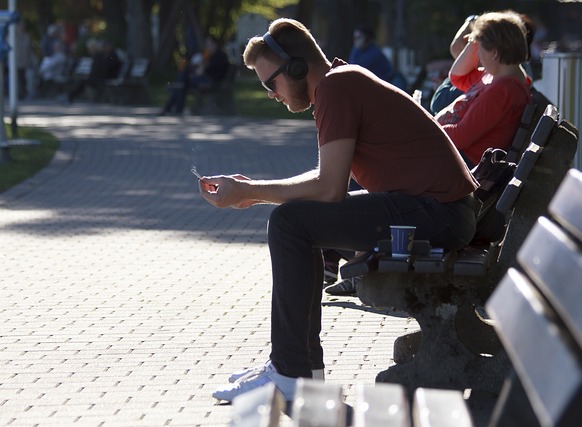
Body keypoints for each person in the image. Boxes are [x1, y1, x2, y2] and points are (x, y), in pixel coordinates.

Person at [197, 18, 480, 402]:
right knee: (297, 221)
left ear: (297, 67)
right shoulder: (340, 81)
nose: (271, 95)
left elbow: (329, 189)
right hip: (440, 210)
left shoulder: (335, 87)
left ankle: (290, 372)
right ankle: (300, 370)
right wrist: (252, 192)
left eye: (271, 83)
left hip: (437, 213)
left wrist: (252, 191)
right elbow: (327, 177)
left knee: (288, 223)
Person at [434, 11, 531, 168]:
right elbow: (458, 77)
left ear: (494, 53)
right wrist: (477, 37)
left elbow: (461, 137)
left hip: (457, 163)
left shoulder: (504, 91)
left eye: (479, 49)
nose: (477, 54)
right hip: (447, 152)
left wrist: (423, 128)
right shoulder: (493, 76)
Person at [160, 35, 230, 115]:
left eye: (209, 44)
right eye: (207, 44)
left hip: (210, 82)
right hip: (204, 79)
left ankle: (172, 108)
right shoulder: (211, 56)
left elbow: (212, 70)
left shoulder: (220, 56)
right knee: (182, 84)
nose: (207, 46)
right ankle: (175, 107)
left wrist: (202, 68)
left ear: (215, 44)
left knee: (182, 83)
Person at [64, 38, 122, 104]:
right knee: (83, 81)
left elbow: (104, 69)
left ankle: (71, 96)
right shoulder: (104, 55)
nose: (103, 48)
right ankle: (71, 96)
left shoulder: (109, 55)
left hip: (106, 77)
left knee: (83, 82)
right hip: (102, 77)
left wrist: (90, 76)